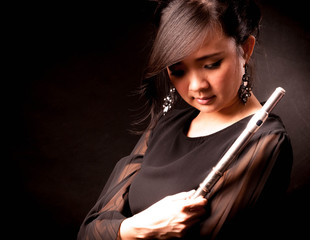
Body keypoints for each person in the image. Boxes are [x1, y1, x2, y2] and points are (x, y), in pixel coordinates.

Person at [77, 0, 293, 239]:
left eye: (211, 64)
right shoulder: (164, 125)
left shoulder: (267, 141)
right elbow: (89, 231)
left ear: (245, 50)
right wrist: (141, 228)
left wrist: (122, 230)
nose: (196, 86)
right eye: (178, 70)